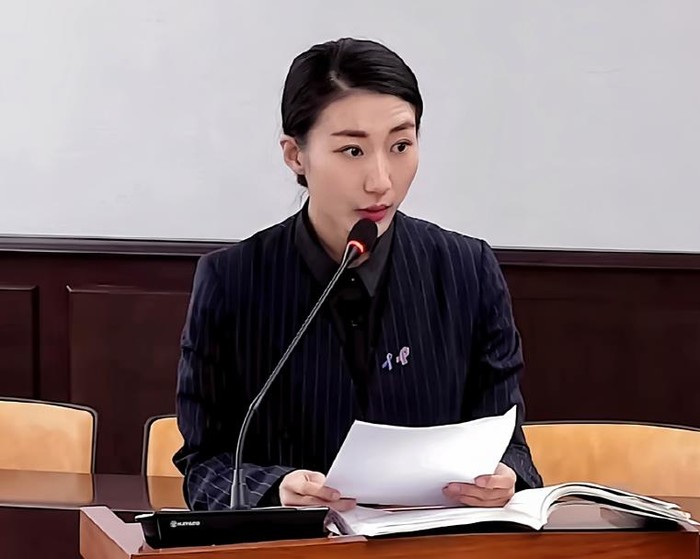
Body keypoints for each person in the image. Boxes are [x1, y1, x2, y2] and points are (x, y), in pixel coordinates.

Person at [174, 37, 542, 512]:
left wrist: (505, 477)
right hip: (295, 544)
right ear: (295, 155)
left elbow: (510, 446)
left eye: (401, 146)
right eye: (352, 151)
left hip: (431, 541)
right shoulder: (232, 281)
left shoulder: (466, 269)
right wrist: (272, 490)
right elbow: (204, 465)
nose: (381, 181)